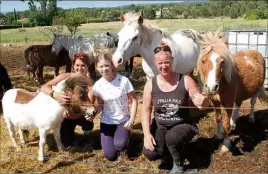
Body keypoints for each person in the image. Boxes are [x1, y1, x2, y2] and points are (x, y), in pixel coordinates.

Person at [141, 42, 210, 173]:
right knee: (150, 153)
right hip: (161, 127)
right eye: (160, 63)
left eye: (167, 62)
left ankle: (178, 165)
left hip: (183, 124)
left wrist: (204, 101)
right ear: (155, 62)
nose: (164, 66)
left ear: (172, 60)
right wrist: (146, 134)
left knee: (172, 138)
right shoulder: (150, 84)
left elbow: (201, 105)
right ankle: (170, 153)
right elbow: (145, 110)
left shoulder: (185, 80)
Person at [85, 49, 138, 161]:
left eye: (107, 65)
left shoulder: (124, 81)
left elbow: (134, 100)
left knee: (120, 145)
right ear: (97, 68)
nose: (104, 69)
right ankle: (116, 141)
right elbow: (100, 105)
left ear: (112, 66)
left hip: (123, 120)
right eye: (101, 66)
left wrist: (131, 119)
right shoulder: (97, 86)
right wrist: (93, 115)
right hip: (106, 122)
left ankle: (126, 140)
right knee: (110, 156)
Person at [40, 52, 94, 149]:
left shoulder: (90, 83)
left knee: (89, 116)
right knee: (67, 142)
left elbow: (90, 103)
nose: (80, 68)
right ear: (73, 66)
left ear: (87, 67)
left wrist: (76, 114)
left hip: (81, 115)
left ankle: (87, 136)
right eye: (77, 65)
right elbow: (44, 87)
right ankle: (69, 135)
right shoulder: (65, 77)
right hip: (65, 116)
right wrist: (55, 94)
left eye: (83, 66)